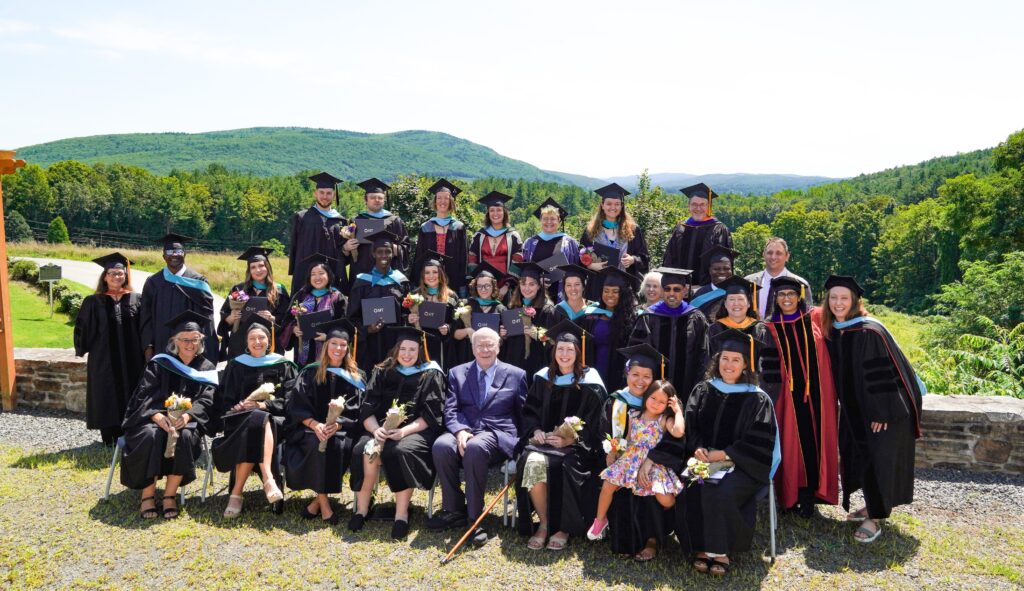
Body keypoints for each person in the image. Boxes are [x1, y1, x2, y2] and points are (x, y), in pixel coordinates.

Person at [644, 340, 780, 577]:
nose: (729, 364)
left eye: (736, 359)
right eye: (724, 358)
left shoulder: (758, 399)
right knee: (694, 486)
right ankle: (701, 548)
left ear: (746, 364)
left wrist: (726, 454)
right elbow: (691, 426)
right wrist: (698, 448)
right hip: (704, 461)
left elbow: (759, 440)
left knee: (722, 490)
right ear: (717, 361)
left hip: (742, 465)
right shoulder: (703, 390)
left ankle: (721, 551)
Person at [822, 275, 924, 543]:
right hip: (857, 411)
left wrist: (882, 412)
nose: (838, 303)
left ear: (855, 301)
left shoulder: (868, 331)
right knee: (864, 459)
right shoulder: (837, 329)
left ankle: (875, 518)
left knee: (879, 461)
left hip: (883, 412)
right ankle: (872, 505)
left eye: (844, 298)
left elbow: (882, 374)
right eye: (833, 297)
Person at [427, 328, 529, 547]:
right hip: (466, 430)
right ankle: (454, 509)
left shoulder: (516, 374)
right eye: (480, 345)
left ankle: (475, 519)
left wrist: (521, 446)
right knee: (442, 445)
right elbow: (451, 410)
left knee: (475, 447)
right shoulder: (457, 373)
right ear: (472, 348)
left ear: (498, 346)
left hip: (498, 436)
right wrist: (460, 431)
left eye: (490, 344)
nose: (485, 349)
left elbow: (523, 414)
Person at [516, 320, 607, 551]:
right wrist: (536, 431)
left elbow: (597, 423)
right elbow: (530, 411)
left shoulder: (591, 381)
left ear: (578, 352)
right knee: (533, 463)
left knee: (565, 466)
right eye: (560, 349)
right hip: (544, 445)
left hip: (578, 449)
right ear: (553, 351)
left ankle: (562, 528)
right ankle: (545, 523)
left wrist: (572, 439)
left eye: (569, 349)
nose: (564, 354)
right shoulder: (542, 378)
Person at [120, 310, 219, 520]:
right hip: (154, 419)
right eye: (184, 339)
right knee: (149, 435)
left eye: (194, 339)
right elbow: (144, 394)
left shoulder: (206, 368)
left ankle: (169, 495)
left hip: (187, 421)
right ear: (175, 340)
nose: (190, 344)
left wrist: (187, 417)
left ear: (201, 340)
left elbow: (207, 400)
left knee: (183, 436)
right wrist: (156, 415)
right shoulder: (160, 363)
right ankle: (147, 495)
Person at [349, 327, 446, 539]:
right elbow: (368, 406)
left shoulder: (431, 373)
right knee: (362, 449)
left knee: (399, 451)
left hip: (414, 432)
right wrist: (376, 430)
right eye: (403, 349)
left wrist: (403, 432)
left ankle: (401, 514)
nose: (407, 354)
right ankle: (362, 509)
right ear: (396, 350)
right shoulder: (382, 370)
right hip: (379, 428)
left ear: (420, 350)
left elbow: (430, 415)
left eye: (412, 349)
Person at [764, 276, 839, 516]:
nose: (786, 298)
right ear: (775, 298)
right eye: (781, 294)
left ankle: (811, 497)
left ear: (800, 296)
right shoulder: (769, 327)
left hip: (819, 395)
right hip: (787, 399)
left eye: (791, 294)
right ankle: (789, 497)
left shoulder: (816, 317)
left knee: (816, 443)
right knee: (789, 445)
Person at [282, 319, 367, 525]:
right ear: (326, 345)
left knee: (336, 444)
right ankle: (325, 504)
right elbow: (296, 405)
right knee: (316, 443)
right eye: (334, 343)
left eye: (342, 345)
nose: (338, 348)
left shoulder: (357, 376)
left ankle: (316, 503)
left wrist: (337, 425)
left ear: (348, 348)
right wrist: (315, 425)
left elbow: (359, 410)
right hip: (310, 428)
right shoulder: (310, 371)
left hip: (342, 430)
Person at [212, 317, 296, 518]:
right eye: (252, 339)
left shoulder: (283, 364)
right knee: (255, 423)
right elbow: (225, 399)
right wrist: (238, 406)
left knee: (259, 418)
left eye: (261, 338)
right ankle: (269, 479)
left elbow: (291, 400)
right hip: (240, 420)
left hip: (276, 420)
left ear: (269, 340)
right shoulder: (236, 365)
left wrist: (263, 405)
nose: (257, 342)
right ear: (246, 342)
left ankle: (236, 494)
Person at [589, 380, 683, 545]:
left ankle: (672, 518)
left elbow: (678, 432)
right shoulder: (633, 415)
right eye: (653, 398)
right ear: (646, 396)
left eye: (662, 402)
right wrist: (617, 451)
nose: (656, 404)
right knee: (607, 485)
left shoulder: (663, 419)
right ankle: (600, 520)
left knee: (665, 499)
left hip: (653, 463)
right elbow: (628, 438)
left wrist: (678, 411)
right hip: (630, 459)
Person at [601, 343, 670, 560]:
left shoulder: (661, 404)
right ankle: (623, 541)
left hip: (654, 462)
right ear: (626, 374)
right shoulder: (615, 400)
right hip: (622, 462)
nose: (640, 381)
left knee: (649, 483)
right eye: (635, 374)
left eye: (647, 376)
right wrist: (611, 454)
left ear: (655, 378)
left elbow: (674, 441)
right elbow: (603, 431)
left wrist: (651, 460)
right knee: (620, 484)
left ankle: (652, 540)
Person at [73, 252, 144, 447]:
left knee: (134, 391)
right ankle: (110, 437)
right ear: (105, 276)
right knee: (106, 392)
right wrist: (82, 348)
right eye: (112, 273)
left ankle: (132, 434)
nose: (116, 277)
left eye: (120, 273)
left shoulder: (137, 299)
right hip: (104, 358)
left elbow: (146, 328)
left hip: (133, 359)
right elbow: (83, 329)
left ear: (126, 275)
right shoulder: (93, 302)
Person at [628, 268, 710, 405]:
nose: (671, 293)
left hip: (687, 387)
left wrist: (698, 387)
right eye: (667, 289)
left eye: (677, 289)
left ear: (684, 291)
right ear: (662, 291)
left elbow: (704, 355)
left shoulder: (696, 318)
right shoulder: (649, 316)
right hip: (653, 389)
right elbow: (639, 354)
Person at [139, 233, 218, 364]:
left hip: (191, 348)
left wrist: (207, 349)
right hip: (161, 345)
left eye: (178, 251)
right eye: (170, 251)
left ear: (185, 254)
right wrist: (148, 346)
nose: (174, 255)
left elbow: (207, 319)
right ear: (163, 256)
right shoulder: (153, 282)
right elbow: (146, 318)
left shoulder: (198, 282)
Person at [346, 231, 412, 373]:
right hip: (369, 345)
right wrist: (368, 329)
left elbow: (407, 313)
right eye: (380, 252)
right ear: (373, 254)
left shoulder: (401, 282)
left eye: (387, 252)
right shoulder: (362, 282)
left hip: (394, 343)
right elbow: (351, 318)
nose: (384, 256)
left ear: (392, 254)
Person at [706, 277, 780, 402]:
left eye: (740, 299)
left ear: (749, 303)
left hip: (752, 393)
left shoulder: (760, 329)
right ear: (725, 303)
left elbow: (769, 367)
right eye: (731, 299)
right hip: (719, 392)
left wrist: (762, 396)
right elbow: (707, 362)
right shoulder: (714, 329)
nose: (736, 304)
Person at [217, 247, 291, 359]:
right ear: (249, 271)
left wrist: (273, 318)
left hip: (268, 343)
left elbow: (287, 319)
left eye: (261, 266)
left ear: (267, 267)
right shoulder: (239, 289)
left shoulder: (279, 290)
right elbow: (225, 316)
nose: (258, 270)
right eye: (253, 267)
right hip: (240, 343)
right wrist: (231, 317)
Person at [579, 183, 650, 299]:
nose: (613, 207)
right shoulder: (590, 231)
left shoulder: (633, 230)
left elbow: (645, 258)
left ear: (622, 206)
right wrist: (591, 265)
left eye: (617, 204)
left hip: (624, 286)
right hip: (598, 286)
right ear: (602, 205)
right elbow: (581, 255)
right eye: (609, 204)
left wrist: (633, 260)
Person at [663, 183, 733, 291]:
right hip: (679, 291)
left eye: (702, 204)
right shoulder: (680, 229)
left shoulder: (719, 229)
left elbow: (723, 265)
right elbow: (669, 260)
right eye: (694, 204)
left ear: (708, 206)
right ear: (689, 206)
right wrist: (676, 284)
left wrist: (703, 287)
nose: (698, 208)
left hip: (707, 291)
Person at [280, 254, 347, 366]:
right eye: (313, 274)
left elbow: (344, 324)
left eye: (321, 273)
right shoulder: (301, 295)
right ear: (309, 277)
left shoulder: (337, 297)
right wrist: (293, 328)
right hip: (303, 348)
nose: (317, 278)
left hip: (327, 350)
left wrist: (330, 337)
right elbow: (286, 320)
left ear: (329, 275)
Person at [287, 172, 349, 294]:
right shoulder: (302, 217)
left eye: (328, 193)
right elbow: (294, 247)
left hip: (332, 272)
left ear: (334, 195)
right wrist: (297, 272)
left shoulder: (340, 221)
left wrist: (346, 248)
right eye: (321, 192)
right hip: (306, 273)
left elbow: (343, 252)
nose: (325, 196)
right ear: (315, 193)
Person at [341, 177, 410, 287]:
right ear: (365, 200)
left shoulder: (395, 221)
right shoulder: (356, 221)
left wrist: (395, 248)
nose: (377, 200)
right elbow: (344, 253)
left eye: (380, 197)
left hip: (388, 277)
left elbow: (406, 249)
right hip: (362, 276)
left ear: (384, 200)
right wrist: (346, 248)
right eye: (373, 197)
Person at [581, 267, 638, 391]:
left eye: (615, 291)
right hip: (593, 368)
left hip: (618, 372)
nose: (609, 295)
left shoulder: (632, 319)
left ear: (622, 293)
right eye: (606, 290)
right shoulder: (592, 315)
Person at [499, 262, 556, 383]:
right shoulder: (513, 306)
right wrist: (503, 335)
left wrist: (538, 335)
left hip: (535, 364)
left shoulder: (547, 310)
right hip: (514, 363)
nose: (527, 288)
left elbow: (553, 342)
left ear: (539, 286)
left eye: (532, 284)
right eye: (523, 284)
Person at [411, 179, 469, 296]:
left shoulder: (458, 227)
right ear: (435, 201)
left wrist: (463, 281)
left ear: (451, 201)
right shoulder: (426, 227)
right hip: (430, 277)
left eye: (446, 198)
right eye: (439, 198)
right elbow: (419, 257)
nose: (442, 201)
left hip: (453, 276)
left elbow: (464, 258)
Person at [406, 251, 459, 370]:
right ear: (422, 275)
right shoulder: (414, 295)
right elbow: (404, 318)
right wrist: (409, 319)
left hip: (442, 344)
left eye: (435, 272)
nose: (431, 276)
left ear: (441, 274)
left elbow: (456, 322)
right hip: (420, 342)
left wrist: (448, 328)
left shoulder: (451, 296)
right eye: (427, 273)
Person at [522, 197, 581, 300]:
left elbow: (576, 269)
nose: (549, 222)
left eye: (553, 218)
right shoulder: (529, 243)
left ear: (559, 220)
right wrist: (537, 280)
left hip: (562, 293)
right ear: (540, 220)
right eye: (545, 218)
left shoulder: (570, 243)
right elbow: (525, 269)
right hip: (535, 294)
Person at [453, 262, 508, 366]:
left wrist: (503, 336)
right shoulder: (465, 305)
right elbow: (454, 334)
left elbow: (503, 342)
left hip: (491, 358)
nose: (483, 289)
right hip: (467, 356)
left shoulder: (501, 309)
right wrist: (467, 331)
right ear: (475, 287)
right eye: (480, 286)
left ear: (493, 287)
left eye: (487, 286)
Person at [745, 237, 813, 319]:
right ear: (763, 254)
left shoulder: (801, 285)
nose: (773, 257)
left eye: (778, 253)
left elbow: (808, 317)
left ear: (787, 256)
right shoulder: (748, 282)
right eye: (770, 253)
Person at [467, 191, 524, 277]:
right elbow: (472, 258)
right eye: (492, 210)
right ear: (488, 213)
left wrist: (508, 284)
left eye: (499, 210)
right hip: (483, 283)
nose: (495, 214)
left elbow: (518, 260)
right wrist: (477, 279)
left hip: (505, 284)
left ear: (504, 213)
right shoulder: (479, 236)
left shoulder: (513, 236)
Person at [689, 245, 741, 321]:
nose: (722, 272)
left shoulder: (739, 292)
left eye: (726, 268)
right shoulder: (700, 294)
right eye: (716, 269)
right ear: (709, 270)